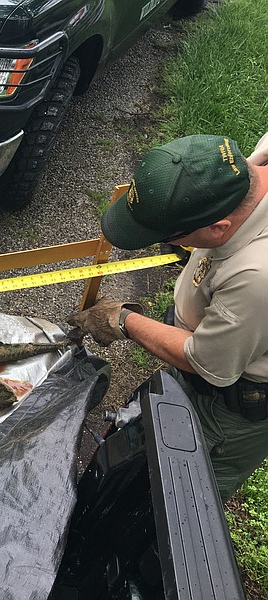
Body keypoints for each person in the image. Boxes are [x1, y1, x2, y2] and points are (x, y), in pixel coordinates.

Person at [69, 133, 268, 502]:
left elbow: (205, 362)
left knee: (176, 496)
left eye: (173, 237)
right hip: (222, 338)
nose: (167, 245)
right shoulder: (249, 169)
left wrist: (123, 319)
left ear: (218, 228)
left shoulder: (258, 277)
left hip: (227, 406)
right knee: (145, 435)